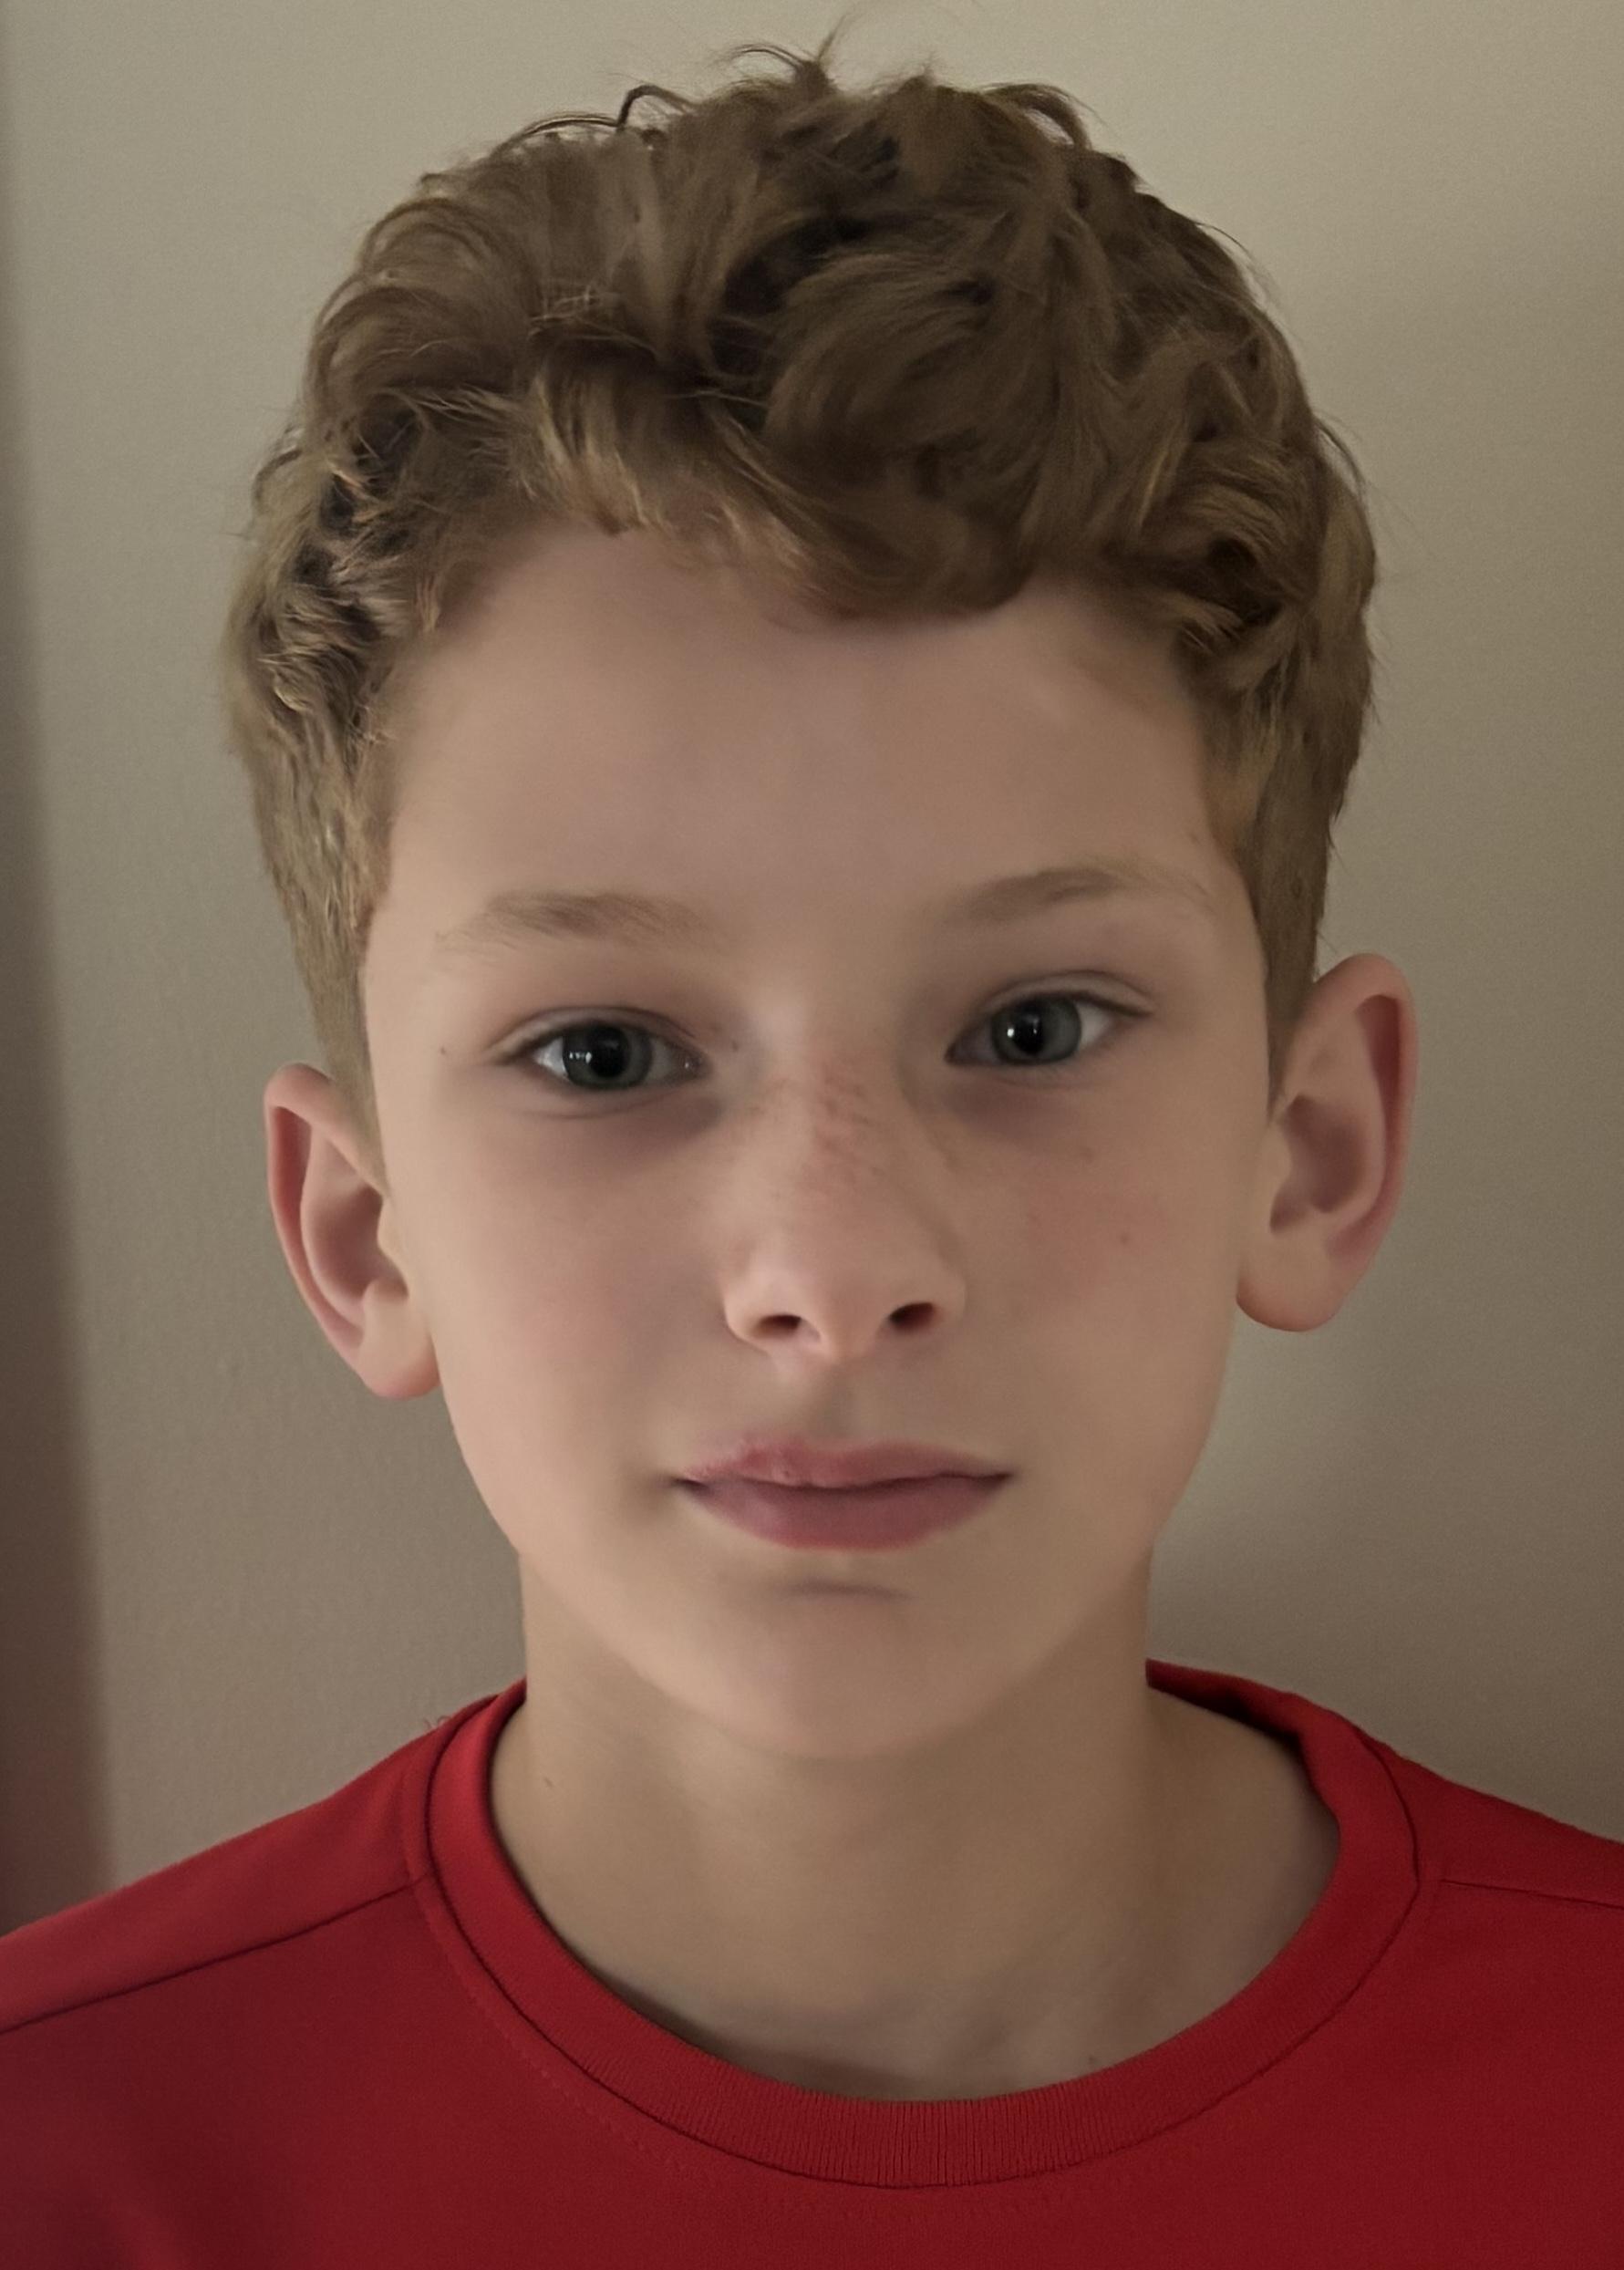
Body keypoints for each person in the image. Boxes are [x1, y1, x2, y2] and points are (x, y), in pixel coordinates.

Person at [5, 26, 1620, 2262]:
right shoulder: (67, 2163)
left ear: (1312, 1152)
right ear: (363, 1235)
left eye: (1033, 1027)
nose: (834, 1272)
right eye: (602, 1054)